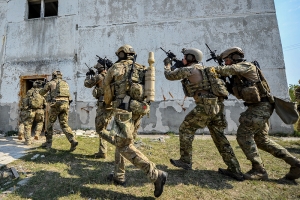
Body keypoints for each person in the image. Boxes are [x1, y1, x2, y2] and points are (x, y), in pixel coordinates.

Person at [214, 46, 300, 181]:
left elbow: (227, 70)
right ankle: (295, 163)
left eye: (226, 60)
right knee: (261, 140)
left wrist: (209, 69)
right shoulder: (238, 76)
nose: (225, 63)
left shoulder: (246, 66)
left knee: (243, 136)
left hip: (261, 107)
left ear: (233, 58)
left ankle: (259, 170)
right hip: (259, 107)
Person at [163, 48, 244, 181]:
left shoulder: (189, 69)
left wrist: (167, 64)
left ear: (190, 58)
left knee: (185, 128)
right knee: (219, 137)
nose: (183, 59)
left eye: (185, 57)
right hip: (216, 105)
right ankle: (235, 169)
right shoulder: (204, 68)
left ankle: (185, 161)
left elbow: (169, 75)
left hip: (205, 106)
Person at [102, 44, 167, 198]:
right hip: (139, 109)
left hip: (123, 110)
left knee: (124, 146)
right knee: (122, 143)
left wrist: (107, 103)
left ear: (121, 54)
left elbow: (106, 88)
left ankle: (155, 174)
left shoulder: (116, 67)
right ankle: (119, 176)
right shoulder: (142, 67)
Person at [39, 71, 78, 151]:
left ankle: (48, 143)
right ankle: (72, 140)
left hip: (56, 105)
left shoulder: (51, 83)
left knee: (50, 124)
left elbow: (42, 93)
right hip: (65, 104)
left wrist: (43, 86)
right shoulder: (65, 83)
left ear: (53, 76)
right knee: (64, 125)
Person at [84, 62, 114, 158]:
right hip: (111, 105)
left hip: (103, 106)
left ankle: (117, 142)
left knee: (100, 129)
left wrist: (88, 76)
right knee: (103, 129)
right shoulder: (112, 75)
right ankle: (102, 152)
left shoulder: (100, 76)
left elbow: (87, 84)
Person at [22, 80, 46, 145]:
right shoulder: (42, 92)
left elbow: (25, 101)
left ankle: (28, 141)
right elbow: (45, 102)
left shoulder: (29, 91)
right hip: (40, 110)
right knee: (40, 122)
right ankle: (37, 134)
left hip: (31, 110)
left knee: (28, 125)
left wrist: (25, 107)